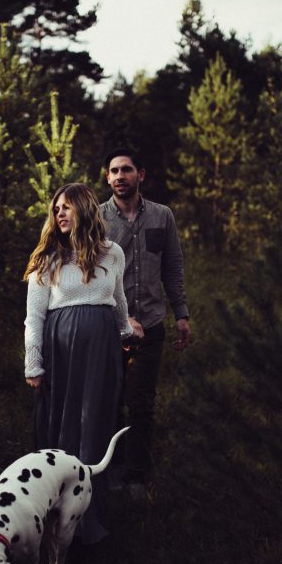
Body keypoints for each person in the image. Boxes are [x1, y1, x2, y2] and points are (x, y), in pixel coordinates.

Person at [23, 182, 143, 544]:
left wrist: (126, 330)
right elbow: (35, 317)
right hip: (62, 355)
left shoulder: (113, 253)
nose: (59, 213)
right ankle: (53, 519)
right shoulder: (47, 257)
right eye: (56, 208)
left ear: (85, 210)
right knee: (62, 426)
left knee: (95, 424)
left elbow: (118, 299)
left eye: (67, 207)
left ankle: (89, 522)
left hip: (103, 352)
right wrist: (34, 364)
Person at [100, 148, 191, 492]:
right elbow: (89, 275)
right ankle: (111, 470)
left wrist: (181, 312)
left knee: (142, 403)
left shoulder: (162, 216)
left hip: (152, 325)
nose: (120, 176)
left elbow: (173, 265)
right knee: (110, 401)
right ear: (107, 177)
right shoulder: (97, 218)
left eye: (127, 170)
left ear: (141, 175)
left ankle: (137, 475)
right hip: (109, 328)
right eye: (114, 171)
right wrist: (122, 316)